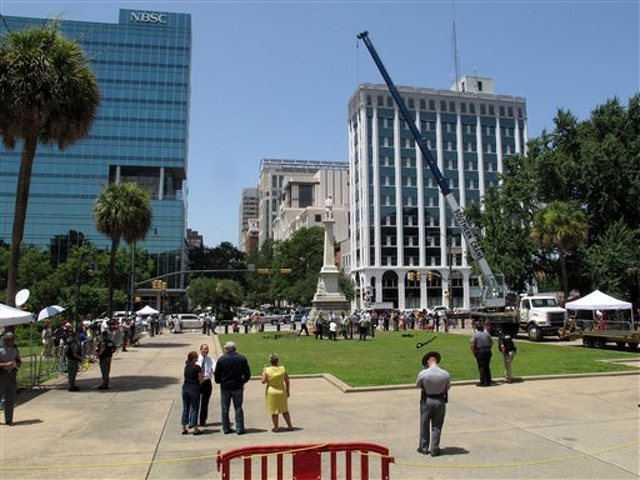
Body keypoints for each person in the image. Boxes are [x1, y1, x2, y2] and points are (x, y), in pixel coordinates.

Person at [415, 350, 450, 457]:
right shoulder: (445, 374)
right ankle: (435, 449)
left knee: (424, 424)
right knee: (437, 426)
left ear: (429, 361)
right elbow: (447, 388)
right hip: (440, 400)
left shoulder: (423, 373)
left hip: (427, 399)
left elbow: (418, 385)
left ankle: (424, 447)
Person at [214, 341, 251, 435]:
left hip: (225, 386)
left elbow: (217, 373)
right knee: (238, 407)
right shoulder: (241, 359)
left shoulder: (222, 359)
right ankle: (239, 428)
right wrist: (243, 381)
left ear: (227, 349)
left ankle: (226, 428)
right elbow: (247, 374)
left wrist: (219, 381)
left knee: (225, 408)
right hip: (237, 386)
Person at [261, 353, 293, 432]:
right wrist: (288, 390)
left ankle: (276, 427)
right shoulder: (282, 369)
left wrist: (263, 373)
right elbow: (287, 381)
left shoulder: (267, 370)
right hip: (281, 391)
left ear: (270, 361)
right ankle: (290, 426)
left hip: (272, 391)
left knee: (274, 411)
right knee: (285, 410)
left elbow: (263, 381)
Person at [0, 332, 21, 426]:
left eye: (12, 339)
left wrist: (16, 364)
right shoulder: (0, 350)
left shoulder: (15, 350)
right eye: (8, 339)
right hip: (1, 374)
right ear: (4, 340)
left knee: (10, 398)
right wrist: (4, 365)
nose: (10, 341)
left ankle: (9, 419)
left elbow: (19, 361)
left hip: (12, 375)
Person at [181, 351, 203, 435]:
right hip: (194, 388)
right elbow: (201, 379)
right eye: (196, 357)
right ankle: (195, 428)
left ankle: (183, 427)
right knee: (194, 408)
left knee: (185, 408)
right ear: (194, 358)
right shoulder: (197, 367)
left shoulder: (186, 366)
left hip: (185, 388)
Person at [197, 343, 215, 427]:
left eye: (207, 349)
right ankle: (193, 420)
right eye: (204, 349)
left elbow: (215, 369)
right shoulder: (196, 360)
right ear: (200, 350)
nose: (206, 351)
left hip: (207, 382)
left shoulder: (210, 360)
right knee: (195, 402)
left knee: (205, 403)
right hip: (198, 383)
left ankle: (202, 421)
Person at [470, 322, 493, 387]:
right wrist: (488, 348)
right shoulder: (487, 334)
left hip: (480, 351)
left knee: (481, 367)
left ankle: (483, 382)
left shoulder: (475, 335)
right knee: (487, 366)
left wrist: (473, 352)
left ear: (477, 328)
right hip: (488, 351)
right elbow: (491, 342)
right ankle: (488, 381)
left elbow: (472, 344)